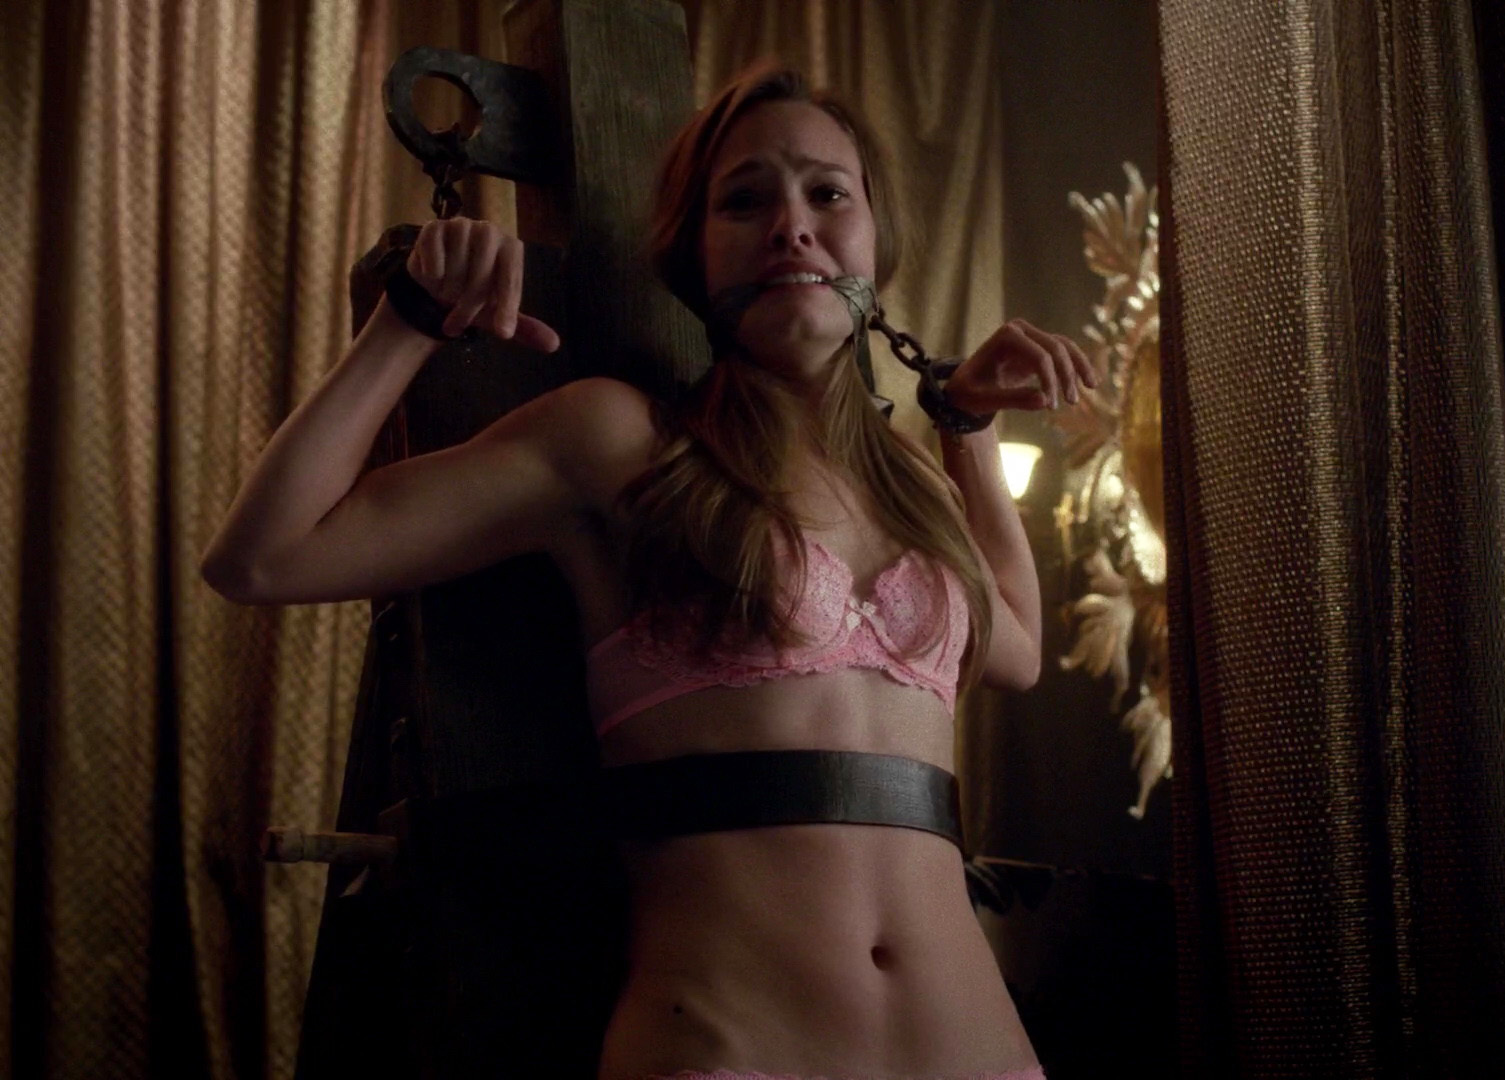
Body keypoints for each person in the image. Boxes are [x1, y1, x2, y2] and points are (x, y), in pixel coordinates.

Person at [201, 58, 1096, 1080]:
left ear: (876, 239)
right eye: (745, 200)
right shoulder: (624, 446)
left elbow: (1016, 650)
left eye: (827, 194)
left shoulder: (913, 489)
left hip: (979, 1052)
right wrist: (407, 321)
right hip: (729, 1049)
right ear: (692, 254)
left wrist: (966, 427)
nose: (791, 227)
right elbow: (261, 556)